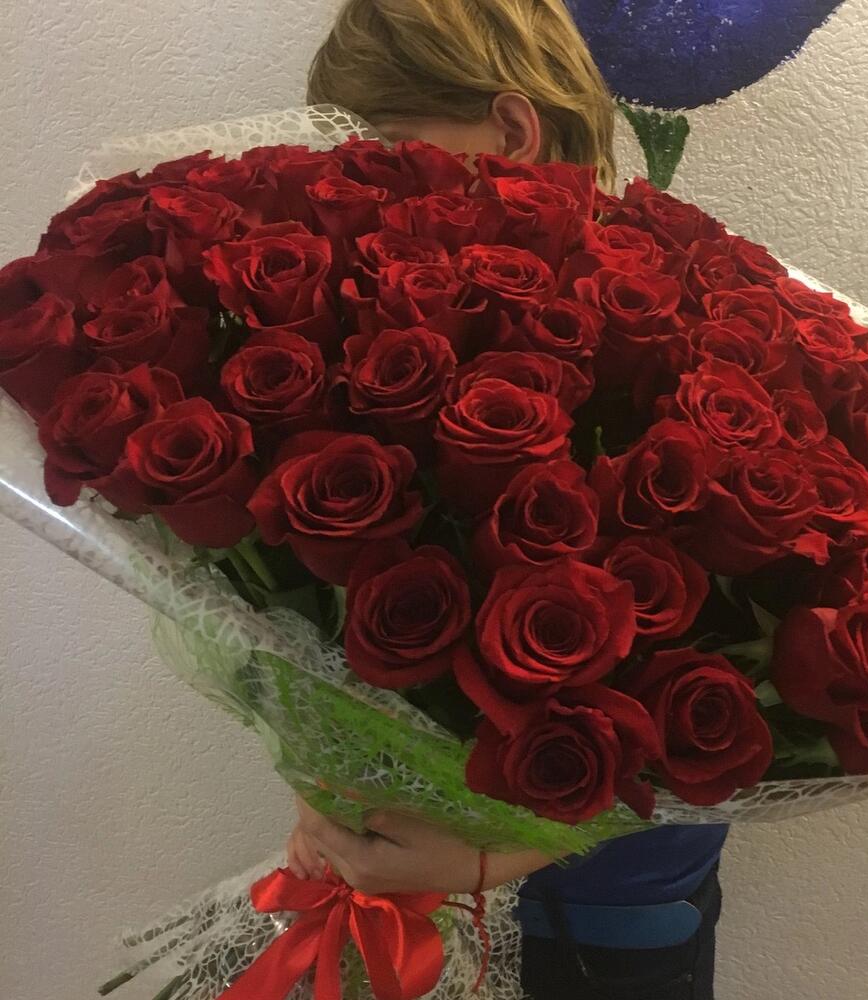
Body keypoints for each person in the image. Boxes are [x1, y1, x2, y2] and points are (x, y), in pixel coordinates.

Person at [287, 3, 726, 997]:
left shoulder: (680, 341)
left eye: (386, 149)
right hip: (398, 894)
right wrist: (327, 793)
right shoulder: (409, 330)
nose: (362, 186)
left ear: (514, 130)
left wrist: (503, 853)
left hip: (604, 924)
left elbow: (724, 705)